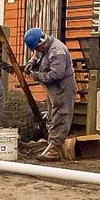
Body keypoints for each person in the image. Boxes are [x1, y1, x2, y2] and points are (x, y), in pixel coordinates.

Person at [23, 27, 76, 162]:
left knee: (61, 115)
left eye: (37, 48)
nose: (37, 51)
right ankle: (51, 144)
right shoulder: (43, 47)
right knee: (52, 115)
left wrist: (37, 76)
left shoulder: (57, 52)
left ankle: (55, 149)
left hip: (63, 87)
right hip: (54, 90)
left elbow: (56, 74)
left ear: (42, 42)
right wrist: (31, 63)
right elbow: (37, 55)